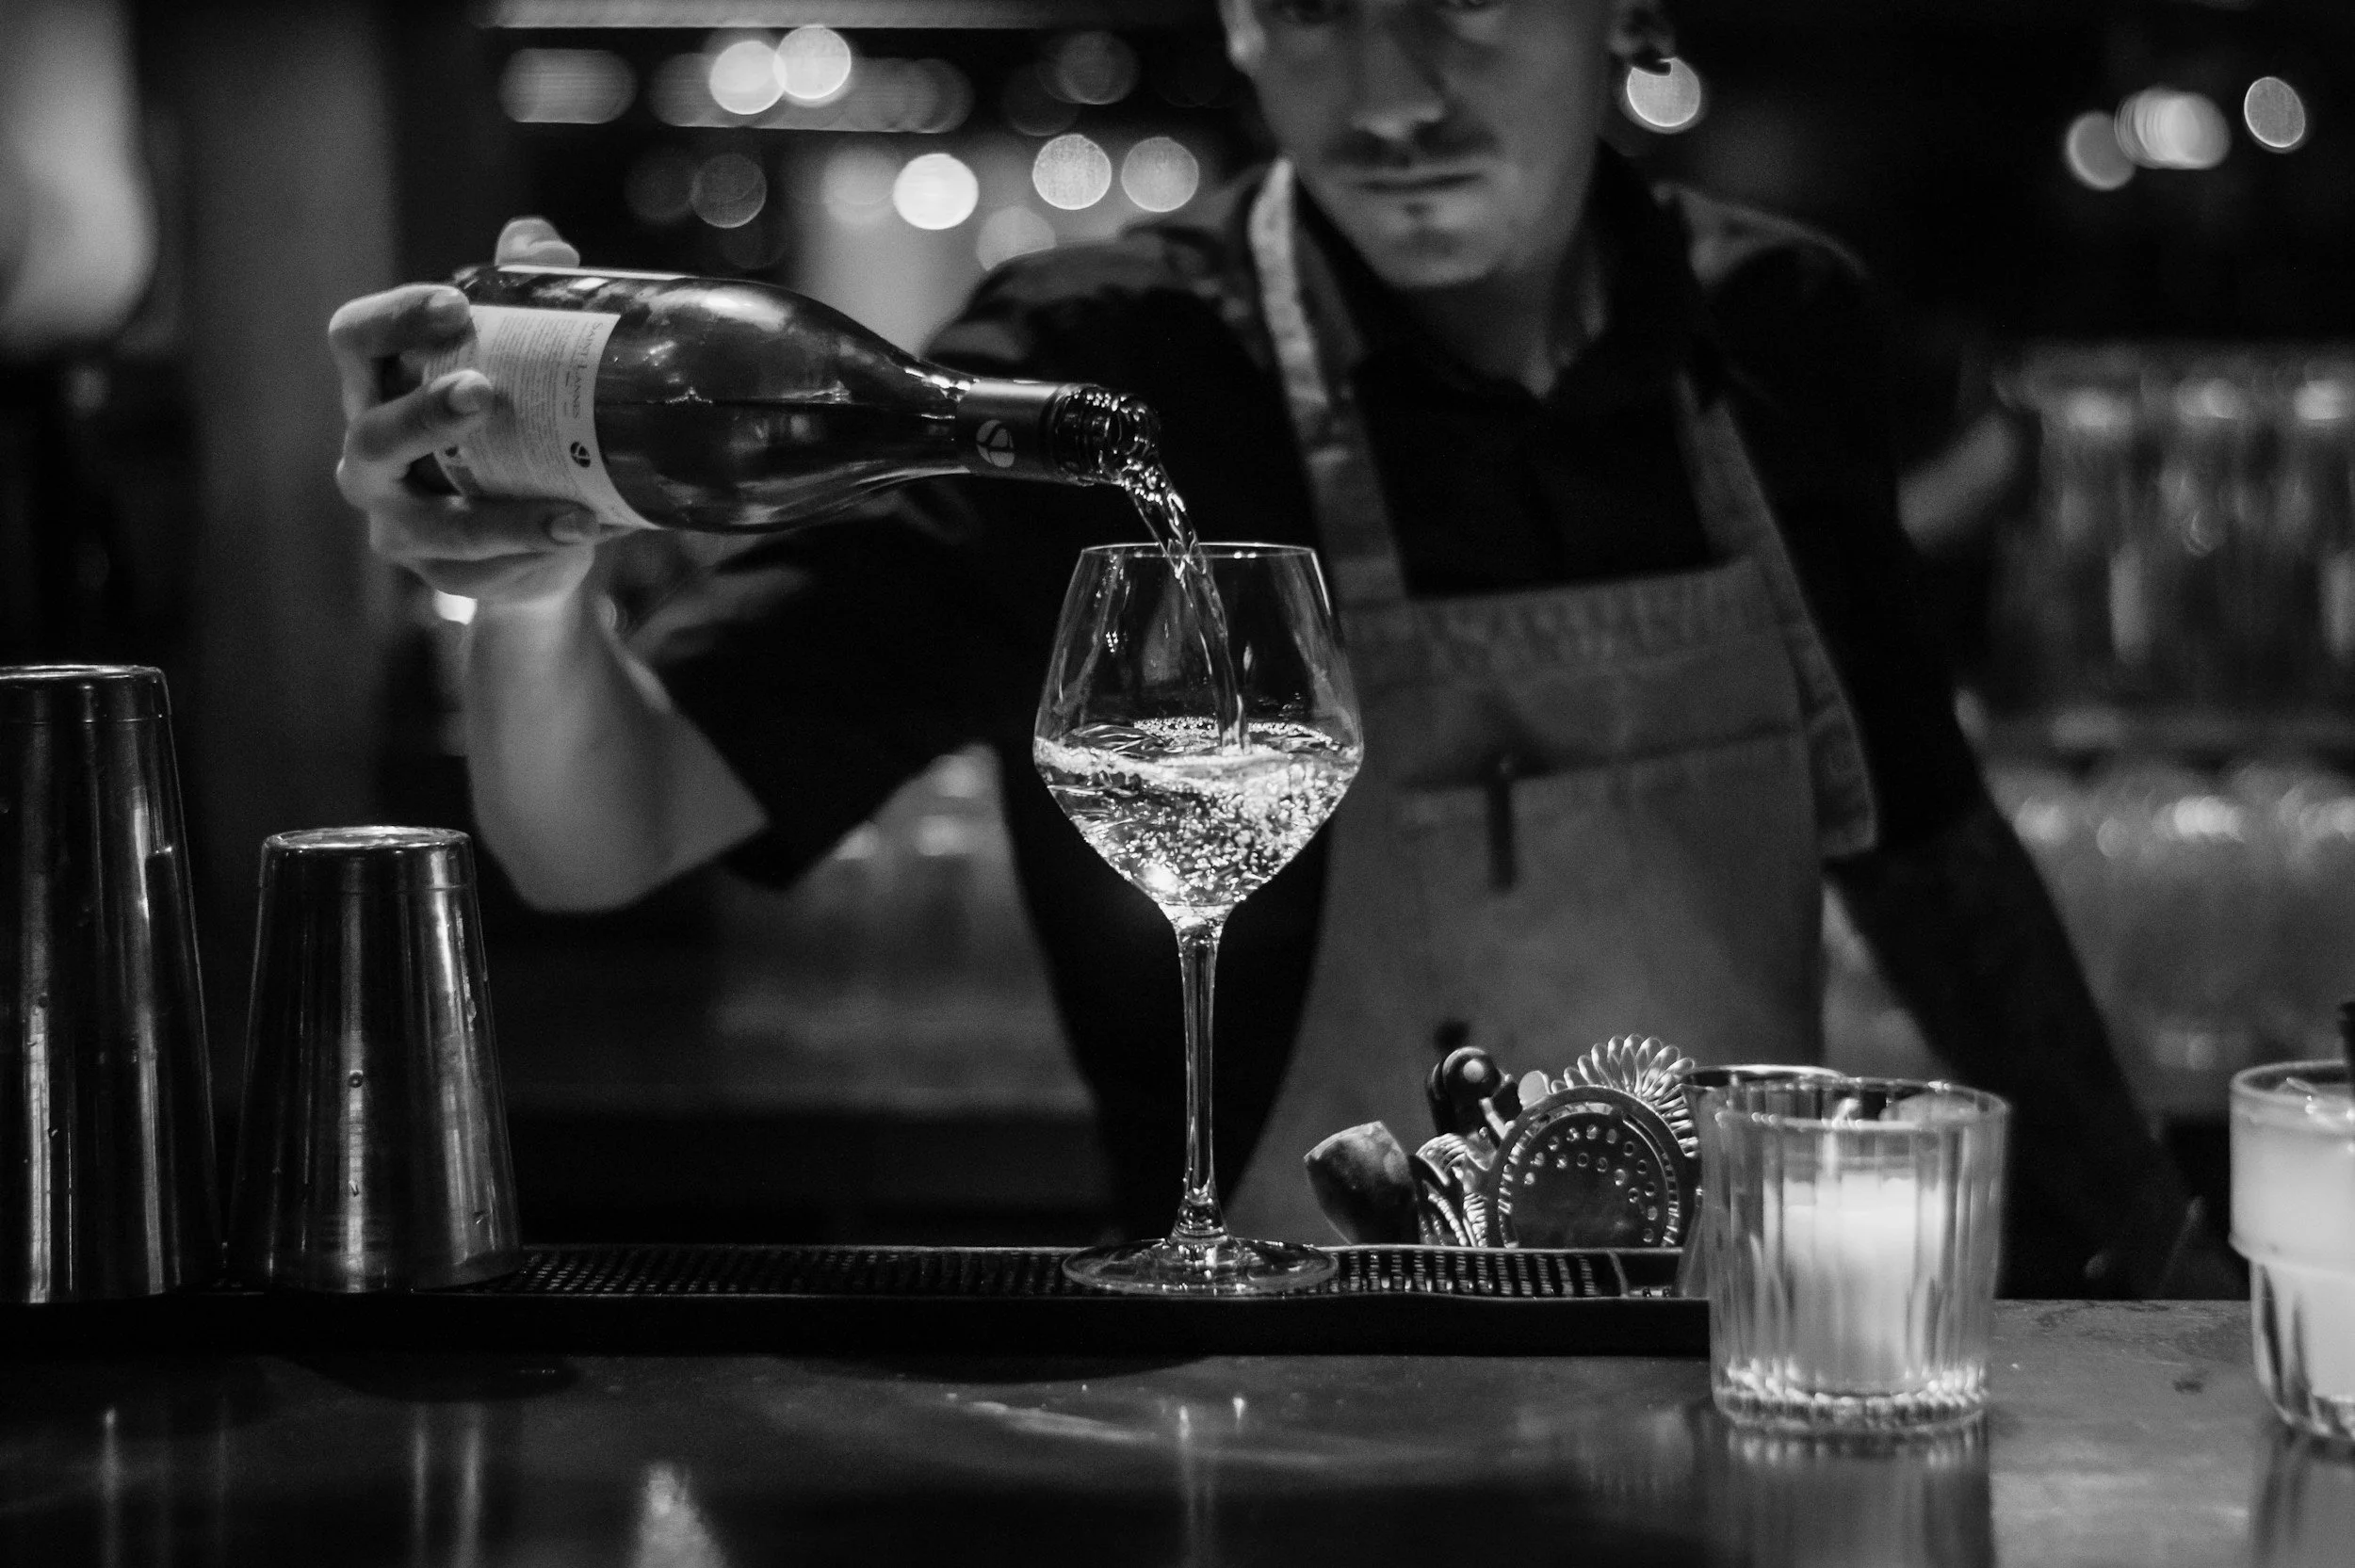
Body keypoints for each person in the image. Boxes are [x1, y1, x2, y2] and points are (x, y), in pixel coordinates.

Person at [333, 0, 2230, 1294]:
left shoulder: (1775, 330)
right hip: (1290, 1388)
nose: (1388, 94)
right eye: (1309, 6)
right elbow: (597, 831)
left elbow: (1924, 844)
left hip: (1726, 1359)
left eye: (1463, 0)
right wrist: (524, 590)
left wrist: (2159, 1267)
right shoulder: (1104, 371)